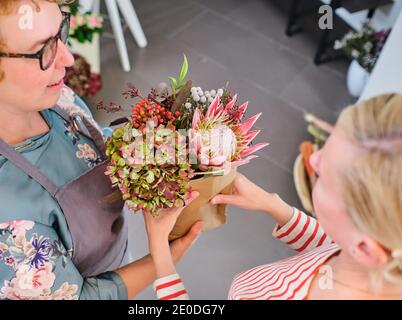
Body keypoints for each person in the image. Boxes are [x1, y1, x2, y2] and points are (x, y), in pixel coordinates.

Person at [0, 0, 202, 300]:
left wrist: (150, 149)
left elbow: (86, 145)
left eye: (61, 32)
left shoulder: (42, 93)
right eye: (43, 50)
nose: (68, 59)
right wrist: (164, 257)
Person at [148, 93, 402, 300]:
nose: (313, 158)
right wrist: (275, 207)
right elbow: (334, 246)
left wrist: (161, 256)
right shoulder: (373, 256)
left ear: (366, 249)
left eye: (323, 175)